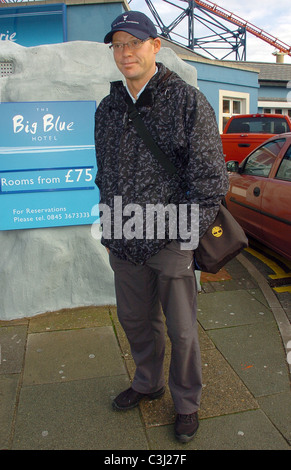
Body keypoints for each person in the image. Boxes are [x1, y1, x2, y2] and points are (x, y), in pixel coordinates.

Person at [94, 10, 228, 443]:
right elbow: (106, 172)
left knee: (182, 329)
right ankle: (147, 382)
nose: (125, 52)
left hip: (172, 239)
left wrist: (184, 238)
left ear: (155, 47)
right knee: (135, 320)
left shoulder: (187, 101)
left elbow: (210, 180)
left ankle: (186, 401)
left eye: (134, 42)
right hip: (124, 236)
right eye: (118, 44)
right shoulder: (108, 108)